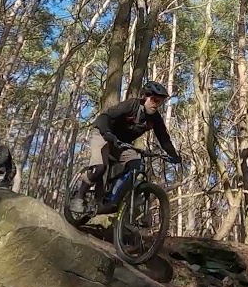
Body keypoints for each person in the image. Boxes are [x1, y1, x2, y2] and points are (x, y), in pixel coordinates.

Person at [70, 80, 181, 214]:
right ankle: (79, 197)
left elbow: (164, 139)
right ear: (145, 96)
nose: (156, 104)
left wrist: (174, 156)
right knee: (100, 167)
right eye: (154, 100)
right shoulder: (131, 105)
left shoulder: (155, 119)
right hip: (102, 133)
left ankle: (114, 199)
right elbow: (105, 116)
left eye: (159, 102)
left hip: (121, 143)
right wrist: (107, 133)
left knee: (136, 166)